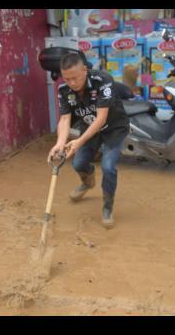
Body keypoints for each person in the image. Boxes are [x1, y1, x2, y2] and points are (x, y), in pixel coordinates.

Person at [47, 53, 129, 229]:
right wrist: (60, 143)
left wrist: (78, 141)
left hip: (113, 128)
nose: (72, 83)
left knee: (108, 167)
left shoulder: (103, 80)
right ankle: (87, 182)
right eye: (67, 79)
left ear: (85, 69)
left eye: (75, 78)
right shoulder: (64, 89)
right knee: (78, 163)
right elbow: (65, 119)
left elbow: (101, 118)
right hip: (89, 127)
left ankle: (107, 207)